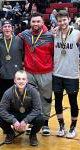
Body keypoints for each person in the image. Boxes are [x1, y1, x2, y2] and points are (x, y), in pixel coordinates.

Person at [18, 12, 54, 136]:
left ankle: (45, 123)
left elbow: (55, 54)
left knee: (46, 99)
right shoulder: (25, 34)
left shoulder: (50, 36)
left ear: (42, 23)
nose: (36, 24)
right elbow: (11, 39)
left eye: (38, 21)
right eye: (33, 21)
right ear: (30, 23)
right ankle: (32, 122)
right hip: (29, 73)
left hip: (46, 72)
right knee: (31, 99)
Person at [0, 70, 44, 146]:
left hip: (27, 114)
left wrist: (26, 120)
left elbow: (37, 109)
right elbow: (1, 110)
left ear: (27, 80)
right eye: (19, 79)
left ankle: (33, 135)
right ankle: (10, 133)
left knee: (41, 119)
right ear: (15, 80)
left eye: (23, 79)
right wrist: (13, 120)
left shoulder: (33, 91)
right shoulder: (8, 92)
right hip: (14, 114)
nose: (21, 81)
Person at [53, 10, 80, 138]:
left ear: (69, 19)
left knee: (73, 102)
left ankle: (73, 127)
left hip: (71, 74)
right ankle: (61, 125)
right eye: (59, 20)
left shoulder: (77, 33)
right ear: (57, 21)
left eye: (64, 20)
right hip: (57, 73)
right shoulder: (55, 33)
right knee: (57, 101)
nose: (62, 22)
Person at [0, 20, 23, 102]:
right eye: (5, 27)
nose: (7, 28)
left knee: (16, 101)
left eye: (9, 26)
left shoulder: (19, 40)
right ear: (2, 29)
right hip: (3, 76)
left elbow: (24, 55)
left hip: (16, 77)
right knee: (2, 100)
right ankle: (3, 115)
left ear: (12, 28)